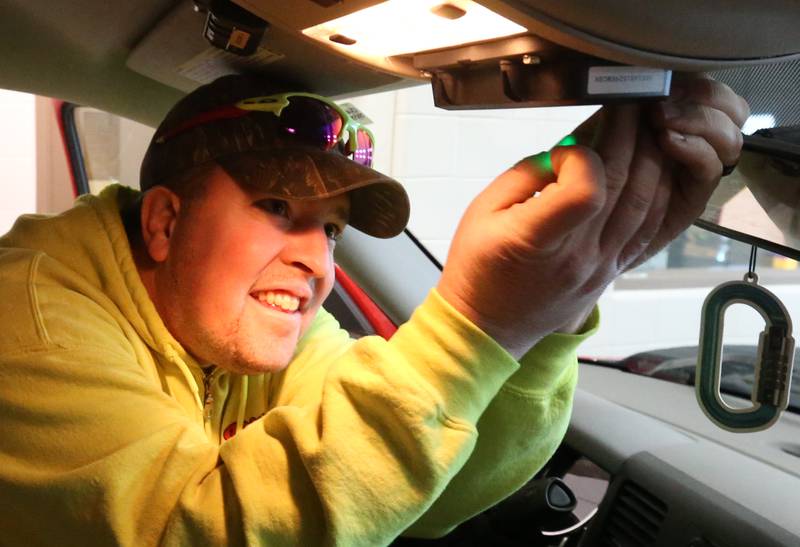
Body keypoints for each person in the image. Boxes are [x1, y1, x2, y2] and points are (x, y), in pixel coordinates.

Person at [0, 74, 748, 545]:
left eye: (330, 228)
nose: (318, 261)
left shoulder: (244, 322)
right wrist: (472, 328)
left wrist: (556, 305)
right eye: (277, 206)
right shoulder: (32, 326)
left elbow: (412, 486)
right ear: (165, 222)